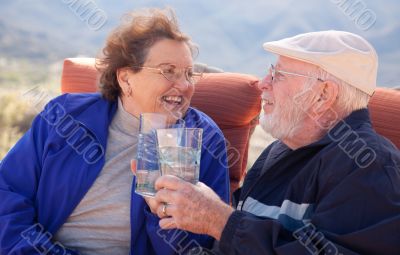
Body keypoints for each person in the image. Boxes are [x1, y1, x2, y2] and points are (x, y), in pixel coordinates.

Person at [0, 8, 229, 255]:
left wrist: (160, 213)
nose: (184, 85)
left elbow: (199, 247)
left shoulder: (203, 138)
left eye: (188, 74)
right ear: (126, 78)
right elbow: (7, 194)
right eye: (168, 71)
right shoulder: (65, 116)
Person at [152, 30, 400, 254]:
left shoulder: (370, 166)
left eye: (278, 75)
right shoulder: (280, 151)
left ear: (323, 94)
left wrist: (219, 220)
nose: (263, 83)